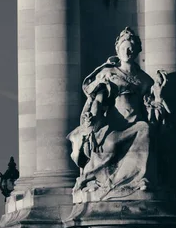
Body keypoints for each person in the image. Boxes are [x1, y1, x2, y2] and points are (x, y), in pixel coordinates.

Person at [67, 27, 169, 200]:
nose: (128, 51)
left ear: (137, 50)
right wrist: (91, 122)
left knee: (145, 128)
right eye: (124, 48)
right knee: (141, 130)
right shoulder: (108, 75)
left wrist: (158, 95)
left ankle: (140, 180)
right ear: (118, 50)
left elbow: (150, 108)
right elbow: (98, 102)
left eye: (131, 48)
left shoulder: (145, 79)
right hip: (113, 131)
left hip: (137, 128)